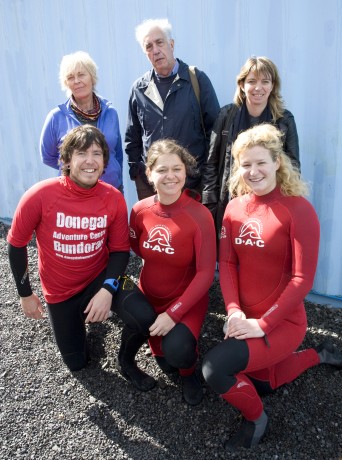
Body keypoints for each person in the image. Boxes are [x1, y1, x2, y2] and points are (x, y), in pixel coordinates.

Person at [202, 124, 342, 450]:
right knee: (262, 382)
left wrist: (261, 325)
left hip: (282, 323)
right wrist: (235, 312)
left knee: (214, 368)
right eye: (245, 164)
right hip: (245, 317)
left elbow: (301, 279)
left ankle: (256, 420)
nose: (253, 171)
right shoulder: (235, 208)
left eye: (261, 162)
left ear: (277, 161)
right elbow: (230, 264)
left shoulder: (299, 210)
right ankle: (318, 355)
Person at [8, 125, 130, 371]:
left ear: (105, 161)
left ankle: (127, 361)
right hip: (60, 291)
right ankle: (86, 319)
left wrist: (107, 289)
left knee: (142, 314)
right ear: (66, 159)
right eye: (81, 153)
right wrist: (25, 294)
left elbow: (120, 250)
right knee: (77, 363)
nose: (90, 161)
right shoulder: (40, 195)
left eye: (97, 153)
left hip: (98, 277)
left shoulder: (113, 197)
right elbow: (16, 244)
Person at [119, 139, 216, 405]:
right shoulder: (140, 210)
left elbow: (207, 274)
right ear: (149, 174)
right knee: (163, 356)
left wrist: (174, 314)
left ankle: (188, 373)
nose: (170, 176)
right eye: (162, 170)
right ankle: (149, 347)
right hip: (149, 294)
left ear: (186, 172)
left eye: (177, 169)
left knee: (178, 353)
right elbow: (137, 246)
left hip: (185, 300)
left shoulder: (200, 216)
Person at [202, 56, 300, 240]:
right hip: (230, 200)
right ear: (241, 84)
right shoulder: (226, 115)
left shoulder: (285, 120)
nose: (258, 88)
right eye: (252, 81)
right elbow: (211, 163)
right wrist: (210, 203)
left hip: (270, 202)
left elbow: (293, 165)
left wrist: (286, 203)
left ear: (273, 86)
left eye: (265, 81)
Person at [125, 18, 220, 200]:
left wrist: (206, 176)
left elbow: (215, 131)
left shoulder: (196, 80)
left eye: (159, 42)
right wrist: (138, 174)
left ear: (171, 43)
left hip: (192, 186)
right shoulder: (139, 89)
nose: (156, 50)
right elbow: (132, 138)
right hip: (153, 188)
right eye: (149, 46)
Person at [40, 51, 124, 191]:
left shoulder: (110, 112)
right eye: (70, 77)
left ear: (92, 77)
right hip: (73, 192)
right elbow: (48, 156)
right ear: (66, 83)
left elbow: (117, 153)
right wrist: (78, 168)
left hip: (110, 189)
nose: (77, 81)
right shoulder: (56, 117)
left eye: (81, 75)